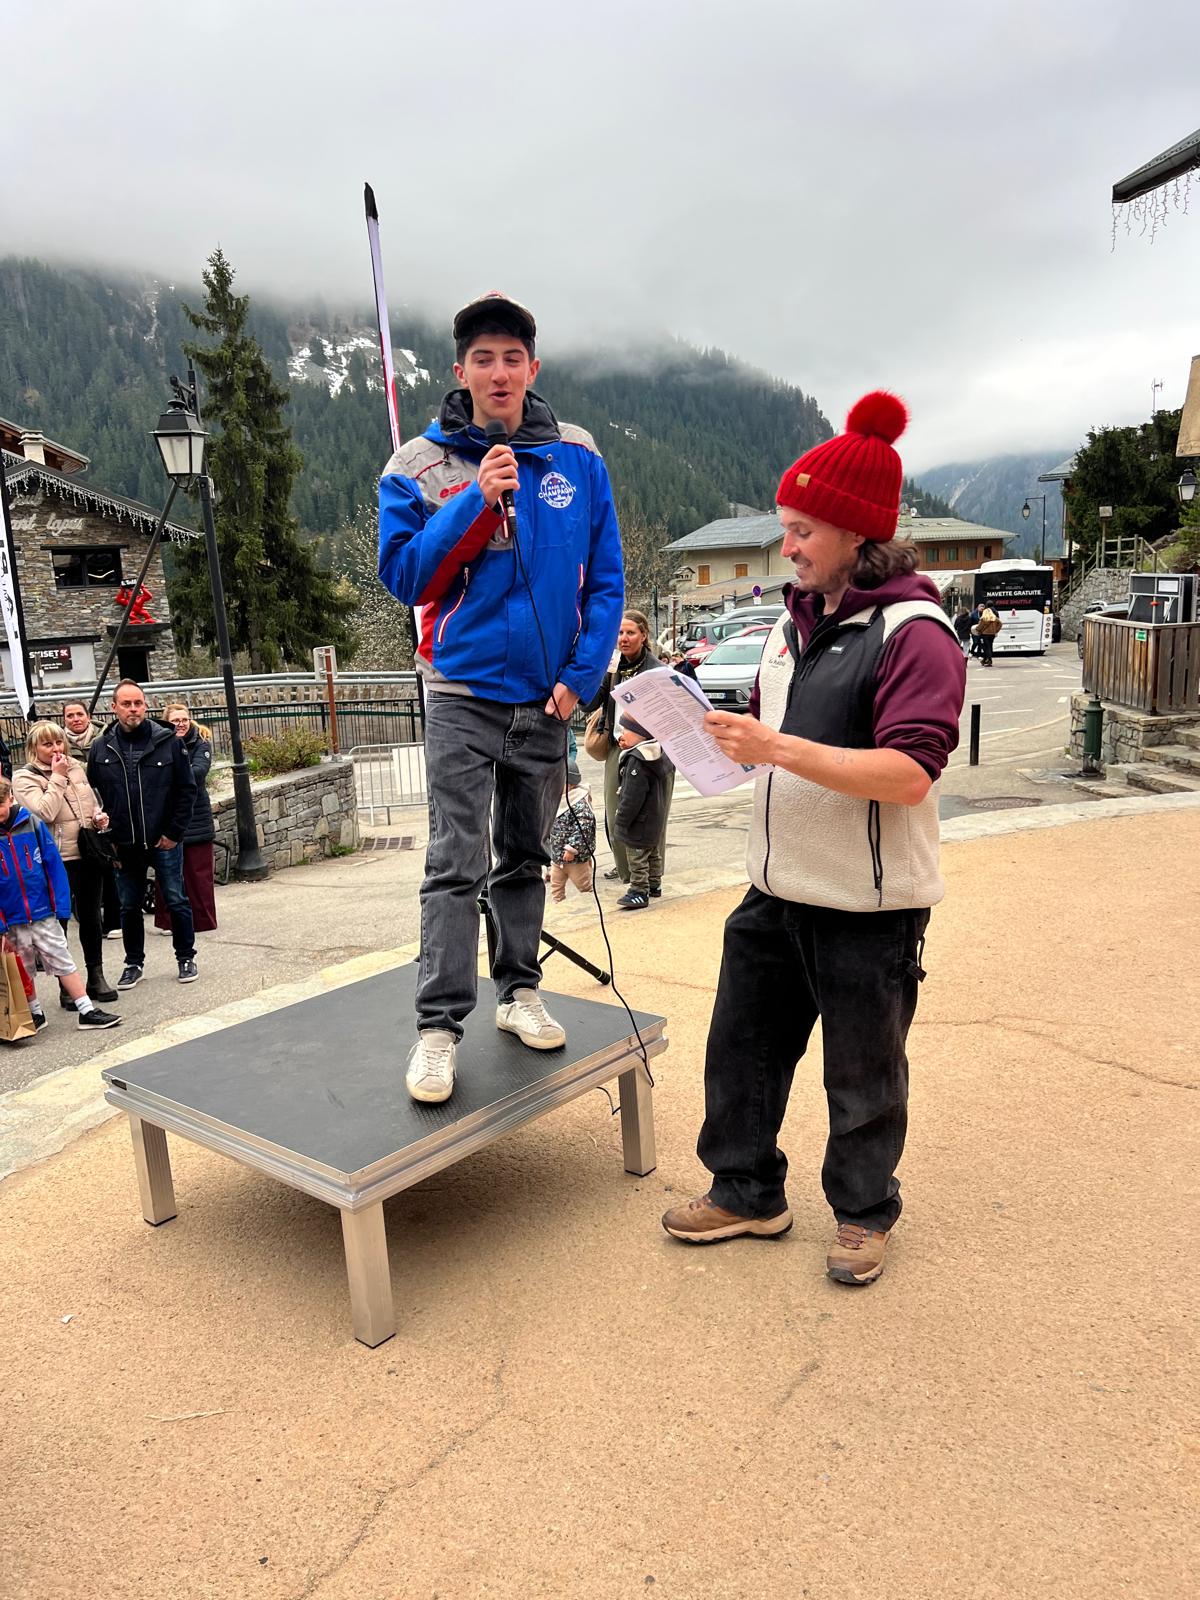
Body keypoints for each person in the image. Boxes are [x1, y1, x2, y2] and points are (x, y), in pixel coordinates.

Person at [661, 391, 966, 1287]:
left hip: (869, 904)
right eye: (786, 527)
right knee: (740, 1050)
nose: (786, 545)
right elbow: (774, 741)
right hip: (776, 885)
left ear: (855, 532)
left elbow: (910, 773)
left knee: (863, 1073)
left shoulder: (915, 632)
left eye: (802, 530)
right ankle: (746, 1191)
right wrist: (696, 736)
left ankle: (865, 1214)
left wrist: (776, 748)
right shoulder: (789, 623)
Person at [378, 292, 624, 1104]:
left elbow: (606, 581)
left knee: (525, 856)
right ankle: (438, 1029)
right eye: (483, 359)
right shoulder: (417, 465)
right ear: (461, 371)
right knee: (455, 861)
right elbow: (406, 577)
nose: (498, 372)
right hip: (460, 692)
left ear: (532, 368)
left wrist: (580, 680)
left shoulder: (578, 456)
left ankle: (519, 991)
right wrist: (474, 502)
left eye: (512, 358)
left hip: (546, 699)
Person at [86, 679, 199, 989]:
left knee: (176, 899)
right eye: (126, 704)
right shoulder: (101, 748)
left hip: (164, 840)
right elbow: (92, 796)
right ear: (114, 707)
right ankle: (133, 963)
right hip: (124, 844)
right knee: (129, 906)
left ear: (146, 705)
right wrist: (107, 838)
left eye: (138, 703)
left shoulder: (168, 742)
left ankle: (186, 957)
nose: (133, 709)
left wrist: (174, 833)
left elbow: (186, 790)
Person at [0, 776, 120, 1031]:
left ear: (10, 799)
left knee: (61, 958)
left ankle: (86, 1009)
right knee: (22, 967)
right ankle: (34, 1012)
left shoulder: (31, 823)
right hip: (11, 917)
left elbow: (53, 864)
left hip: (42, 910)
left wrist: (61, 905)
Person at [12, 721, 119, 1005]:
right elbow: (43, 812)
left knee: (91, 917)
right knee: (59, 923)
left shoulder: (76, 767)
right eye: (47, 744)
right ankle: (67, 985)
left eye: (59, 742)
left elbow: (90, 803)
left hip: (87, 852)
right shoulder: (25, 777)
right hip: (55, 858)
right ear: (34, 748)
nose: (55, 749)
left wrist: (98, 818)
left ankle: (96, 975)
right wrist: (57, 777)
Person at [587, 610, 669, 889]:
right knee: (615, 816)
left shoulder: (657, 670)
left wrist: (640, 736)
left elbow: (667, 715)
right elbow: (588, 704)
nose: (623, 638)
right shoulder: (613, 668)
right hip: (617, 748)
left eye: (630, 632)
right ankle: (629, 874)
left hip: (651, 752)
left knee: (650, 817)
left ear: (643, 635)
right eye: (620, 633)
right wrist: (599, 672)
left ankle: (649, 880)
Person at [153, 703, 218, 935]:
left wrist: (167, 777)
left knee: (198, 874)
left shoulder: (201, 744)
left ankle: (202, 920)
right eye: (175, 720)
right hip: (166, 818)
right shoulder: (158, 745)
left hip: (196, 817)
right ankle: (169, 922)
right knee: (167, 873)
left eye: (184, 719)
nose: (180, 724)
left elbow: (198, 772)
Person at [62, 700, 121, 936]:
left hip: (105, 808)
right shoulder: (59, 744)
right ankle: (90, 919)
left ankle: (114, 920)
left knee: (108, 864)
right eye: (70, 716)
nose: (75, 719)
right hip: (73, 815)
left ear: (88, 716)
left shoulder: (105, 738)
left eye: (79, 714)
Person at [612, 717, 674, 911]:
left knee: (637, 855)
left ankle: (639, 891)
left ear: (640, 734)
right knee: (652, 851)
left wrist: (621, 820)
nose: (622, 734)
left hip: (639, 819)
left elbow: (632, 795)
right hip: (654, 816)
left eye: (626, 730)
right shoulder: (657, 753)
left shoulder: (637, 761)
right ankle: (655, 884)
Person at [547, 775, 596, 902]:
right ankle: (558, 902)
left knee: (583, 883)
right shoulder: (557, 800)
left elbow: (583, 828)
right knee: (556, 884)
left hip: (575, 859)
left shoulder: (579, 804)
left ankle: (589, 902)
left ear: (571, 785)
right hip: (557, 857)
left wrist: (572, 849)